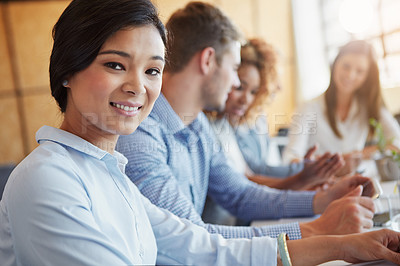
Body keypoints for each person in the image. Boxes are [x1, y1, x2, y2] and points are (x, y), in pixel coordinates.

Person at [2, 0, 400, 265]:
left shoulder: (110, 173)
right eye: (116, 65)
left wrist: (340, 243)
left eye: (152, 70)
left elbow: (206, 247)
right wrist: (320, 223)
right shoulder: (48, 178)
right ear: (68, 70)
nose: (138, 87)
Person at [116, 1, 376, 241]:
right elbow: (195, 240)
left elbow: (240, 194)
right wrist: (316, 229)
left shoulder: (197, 125)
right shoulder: (141, 133)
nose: (236, 82)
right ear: (207, 60)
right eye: (233, 67)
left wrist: (322, 199)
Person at [207, 38, 343, 190]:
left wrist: (305, 176)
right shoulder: (214, 126)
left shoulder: (244, 121)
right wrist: (301, 174)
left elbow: (250, 176)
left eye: (254, 91)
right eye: (239, 87)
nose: (246, 99)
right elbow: (248, 181)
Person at [283, 40, 400, 171]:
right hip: (320, 185)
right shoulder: (308, 108)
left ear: (367, 77)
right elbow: (290, 158)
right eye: (346, 66)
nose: (350, 75)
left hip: (356, 181)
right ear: (335, 64)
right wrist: (332, 162)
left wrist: (360, 154)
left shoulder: (369, 106)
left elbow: (397, 143)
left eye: (360, 71)